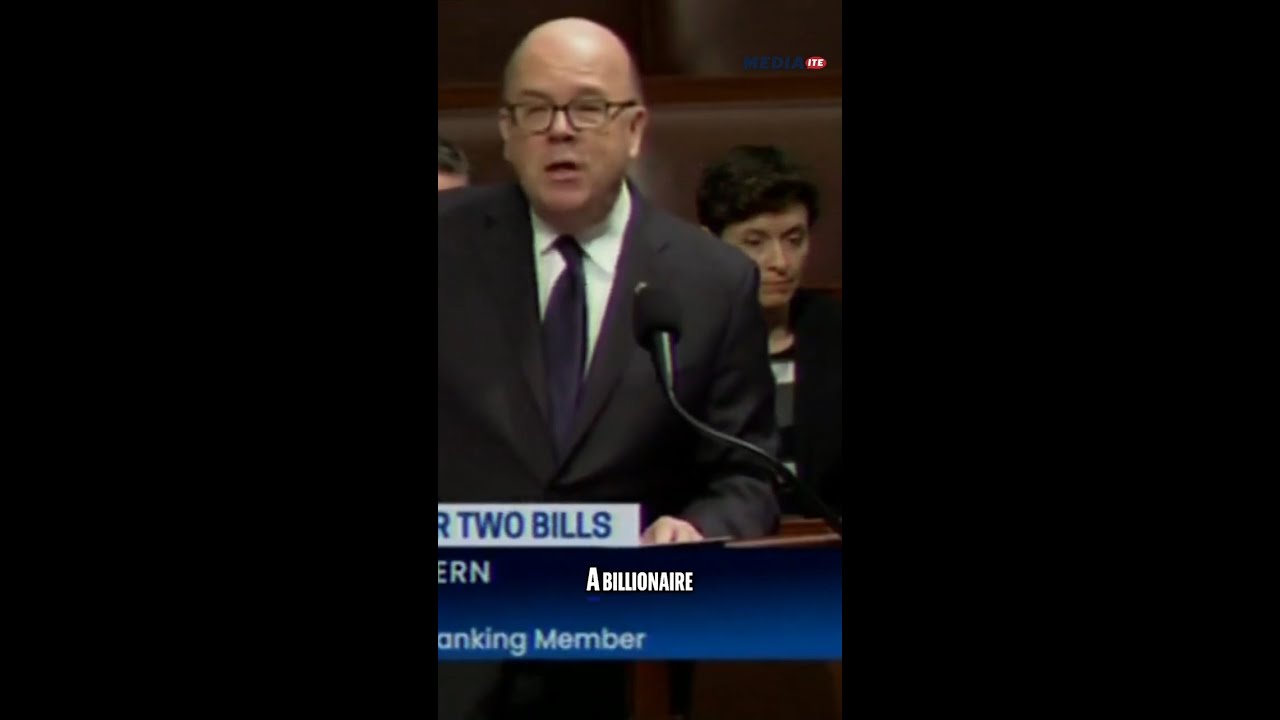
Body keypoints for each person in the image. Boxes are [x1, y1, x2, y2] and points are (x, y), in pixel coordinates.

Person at [438, 17, 781, 720]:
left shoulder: (712, 282)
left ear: (635, 128)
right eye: (535, 110)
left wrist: (697, 528)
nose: (560, 131)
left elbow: (746, 475)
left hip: (627, 647)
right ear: (506, 131)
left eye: (588, 107)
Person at [696, 145, 843, 518]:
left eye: (794, 240)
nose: (780, 262)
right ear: (708, 245)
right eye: (755, 242)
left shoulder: (834, 334)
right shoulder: (676, 346)